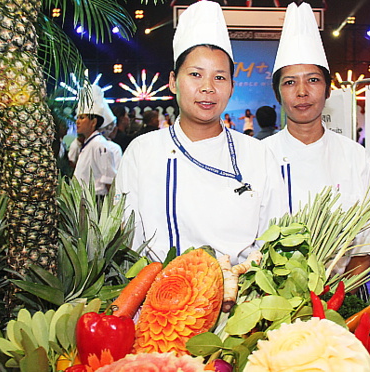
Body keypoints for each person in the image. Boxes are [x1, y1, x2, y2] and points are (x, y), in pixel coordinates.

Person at [115, 1, 287, 263]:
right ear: (173, 82)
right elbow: (127, 240)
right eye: (195, 74)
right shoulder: (142, 152)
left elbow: (273, 238)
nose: (207, 87)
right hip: (158, 295)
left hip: (240, 293)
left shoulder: (256, 154)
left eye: (219, 77)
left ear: (231, 87)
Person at [263, 2, 370, 278]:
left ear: (328, 90)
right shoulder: (259, 156)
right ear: (277, 95)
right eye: (289, 83)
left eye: (312, 80)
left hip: (341, 297)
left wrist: (339, 300)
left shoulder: (354, 155)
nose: (301, 92)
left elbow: (369, 242)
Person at [73, 84, 117, 196]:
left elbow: (109, 180)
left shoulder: (99, 145)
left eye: (82, 118)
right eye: (77, 117)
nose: (77, 121)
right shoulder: (89, 143)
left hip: (96, 201)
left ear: (93, 122)